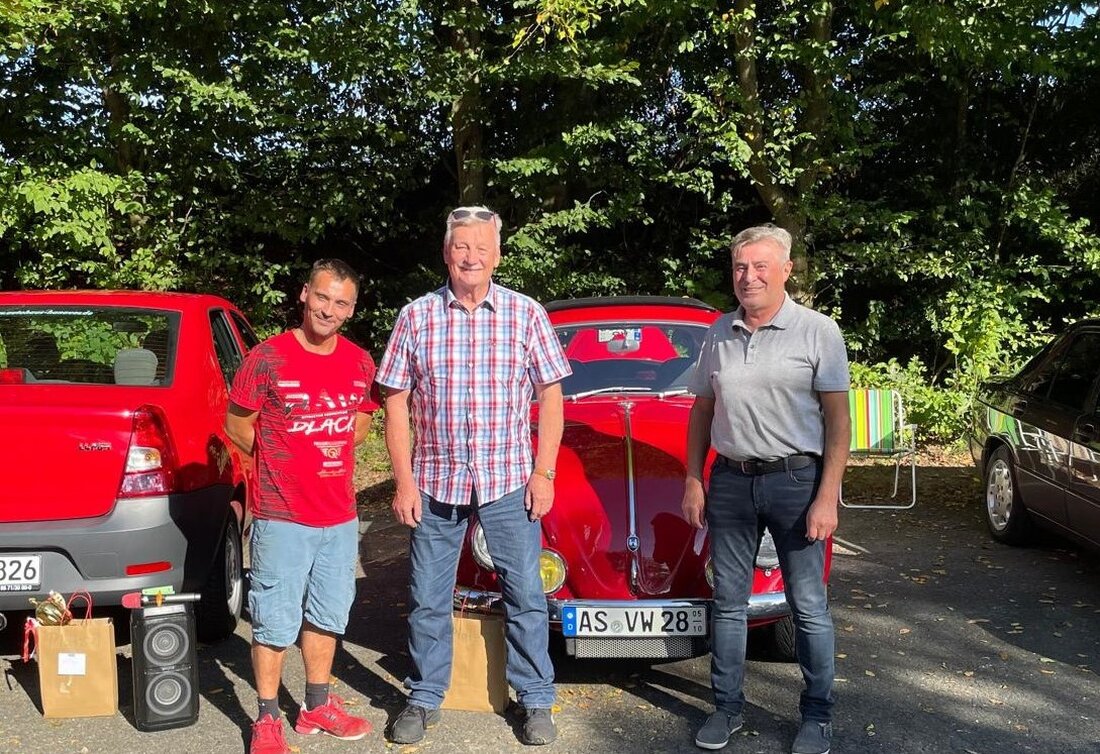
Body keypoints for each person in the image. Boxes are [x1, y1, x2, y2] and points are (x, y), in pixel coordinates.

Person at [375, 206, 570, 747]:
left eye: (482, 248)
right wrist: (404, 481)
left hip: (508, 479)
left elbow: (550, 396)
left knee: (526, 593)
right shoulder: (416, 317)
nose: (471, 257)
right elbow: (395, 402)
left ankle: (535, 700)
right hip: (435, 483)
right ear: (446, 252)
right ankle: (423, 695)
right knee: (428, 596)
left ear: (497, 255)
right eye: (462, 247)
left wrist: (544, 472)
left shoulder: (525, 314)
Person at [681, 225, 850, 754]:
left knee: (807, 604)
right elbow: (702, 409)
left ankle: (817, 717)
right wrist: (693, 477)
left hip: (797, 481)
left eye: (759, 266)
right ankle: (726, 709)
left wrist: (828, 495)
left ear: (785, 270)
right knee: (728, 602)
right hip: (730, 480)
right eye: (739, 267)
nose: (747, 277)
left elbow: (838, 423)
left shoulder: (817, 330)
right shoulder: (718, 331)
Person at [224, 259, 379, 754]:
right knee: (272, 619)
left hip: (339, 517)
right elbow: (238, 425)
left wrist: (320, 456)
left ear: (351, 310)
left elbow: (360, 423)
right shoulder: (266, 358)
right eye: (322, 297)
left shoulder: (359, 361)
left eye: (340, 302)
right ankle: (267, 717)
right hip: (281, 516)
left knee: (328, 616)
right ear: (304, 295)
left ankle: (316, 705)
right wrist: (281, 463)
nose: (328, 309)